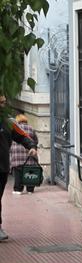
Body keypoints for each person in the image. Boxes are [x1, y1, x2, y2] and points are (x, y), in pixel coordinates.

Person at [1, 95, 38, 241]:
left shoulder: (9, 121)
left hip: (2, 166)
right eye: (1, 103)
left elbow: (23, 136)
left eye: (4, 102)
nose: (3, 106)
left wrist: (31, 146)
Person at [10, 114, 39, 194]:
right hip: (29, 153)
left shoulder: (15, 128)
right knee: (30, 171)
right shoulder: (31, 128)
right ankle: (30, 189)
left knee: (18, 171)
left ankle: (18, 189)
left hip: (17, 154)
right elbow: (35, 141)